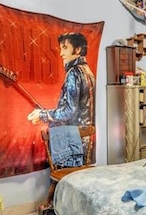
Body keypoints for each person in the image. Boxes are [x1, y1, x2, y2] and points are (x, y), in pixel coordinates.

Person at [27, 32, 95, 164]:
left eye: (65, 48)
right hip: (85, 139)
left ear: (77, 49)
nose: (60, 54)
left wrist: (41, 115)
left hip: (73, 142)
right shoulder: (87, 70)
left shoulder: (74, 72)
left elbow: (69, 112)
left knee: (68, 180)